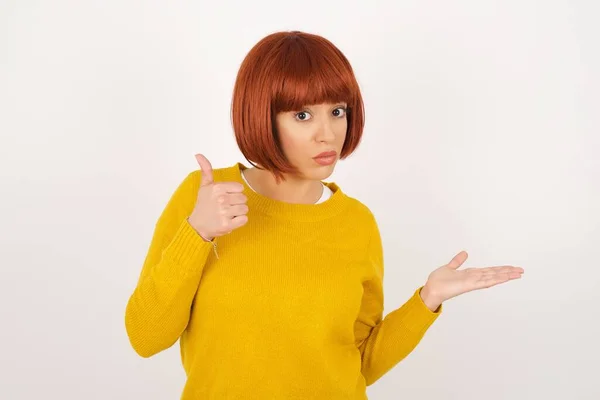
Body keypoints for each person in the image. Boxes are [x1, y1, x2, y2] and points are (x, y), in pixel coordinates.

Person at [124, 30, 524, 399]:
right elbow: (146, 338)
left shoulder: (356, 222)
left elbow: (360, 363)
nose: (328, 133)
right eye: (302, 115)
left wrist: (427, 299)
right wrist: (198, 233)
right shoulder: (205, 196)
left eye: (338, 111)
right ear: (262, 116)